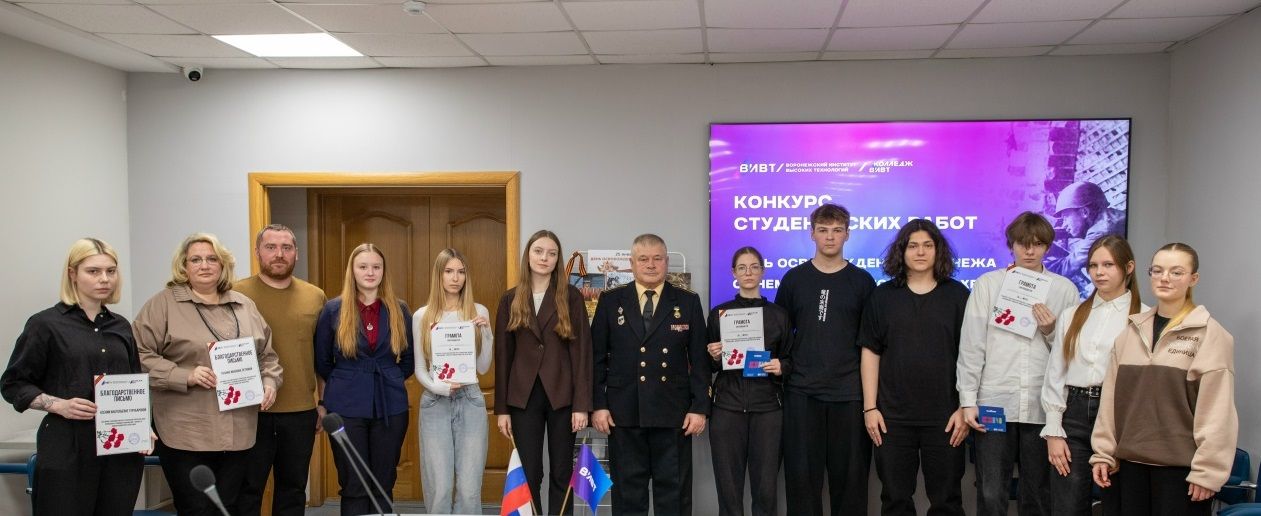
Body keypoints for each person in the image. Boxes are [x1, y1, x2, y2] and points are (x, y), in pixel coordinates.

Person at [133, 233, 282, 516]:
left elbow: (267, 356)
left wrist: (270, 382)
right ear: (183, 266)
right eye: (196, 260)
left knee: (229, 507)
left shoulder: (244, 305)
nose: (204, 265)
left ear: (223, 265)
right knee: (197, 508)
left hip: (239, 429)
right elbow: (138, 355)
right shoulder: (162, 305)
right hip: (186, 431)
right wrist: (183, 375)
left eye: (212, 259)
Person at [0, 238, 151, 516]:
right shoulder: (45, 324)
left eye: (111, 271)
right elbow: (12, 384)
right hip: (67, 446)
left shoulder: (121, 326)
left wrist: (143, 426)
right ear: (72, 274)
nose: (104, 279)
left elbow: (133, 381)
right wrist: (58, 404)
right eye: (93, 271)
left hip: (120, 449)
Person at [1090, 243, 1237, 516]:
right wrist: (1103, 453)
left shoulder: (1210, 335)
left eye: (1176, 272)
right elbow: (1110, 402)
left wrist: (1208, 472)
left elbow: (1218, 412)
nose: (1164, 278)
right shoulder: (1130, 333)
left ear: (1193, 279)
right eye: (1157, 271)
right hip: (1127, 469)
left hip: (1182, 474)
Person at [955, 212, 1079, 516]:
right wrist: (968, 400)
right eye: (1023, 244)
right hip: (994, 401)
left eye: (1038, 244)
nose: (1030, 251)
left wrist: (1050, 331)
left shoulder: (1064, 289)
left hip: (1041, 405)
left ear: (1048, 246)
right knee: (991, 491)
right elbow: (972, 344)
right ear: (1011, 245)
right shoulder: (988, 284)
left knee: (1037, 494)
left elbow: (1072, 354)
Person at [859, 220, 971, 516]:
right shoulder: (883, 296)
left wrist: (965, 406)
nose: (920, 252)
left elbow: (972, 355)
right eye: (913, 246)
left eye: (927, 245)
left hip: (947, 418)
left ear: (938, 250)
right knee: (895, 500)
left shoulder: (958, 295)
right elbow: (870, 352)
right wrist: (870, 408)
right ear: (902, 251)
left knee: (947, 502)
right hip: (892, 418)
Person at [592, 233, 708, 516]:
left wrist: (699, 408)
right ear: (632, 263)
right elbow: (595, 359)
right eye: (643, 259)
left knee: (674, 494)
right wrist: (599, 405)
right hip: (624, 413)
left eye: (657, 258)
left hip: (673, 413)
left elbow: (699, 361)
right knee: (628, 495)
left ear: (667, 262)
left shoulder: (687, 301)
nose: (651, 265)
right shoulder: (610, 301)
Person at [774, 203, 875, 516]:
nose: (830, 237)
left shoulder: (863, 282)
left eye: (837, 230)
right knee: (802, 483)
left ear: (847, 234)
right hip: (802, 392)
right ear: (812, 234)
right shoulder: (794, 279)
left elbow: (872, 344)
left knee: (852, 483)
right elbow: (777, 335)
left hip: (850, 394)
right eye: (823, 230)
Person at [1040, 235, 1145, 516]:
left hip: (1120, 417)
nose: (1099, 272)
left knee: (1117, 506)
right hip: (1073, 414)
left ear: (1129, 267)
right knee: (1067, 507)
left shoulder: (1144, 317)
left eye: (1108, 265)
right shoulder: (1072, 314)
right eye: (1093, 265)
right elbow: (1056, 373)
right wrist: (1054, 431)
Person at [494, 230, 592, 515]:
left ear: (558, 259)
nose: (544, 258)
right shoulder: (510, 299)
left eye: (551, 253)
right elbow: (503, 357)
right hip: (523, 397)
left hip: (562, 396)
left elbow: (582, 354)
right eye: (538, 251)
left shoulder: (571, 297)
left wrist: (581, 405)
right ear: (528, 255)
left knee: (562, 472)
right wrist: (502, 410)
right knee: (530, 473)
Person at [314, 243, 415, 516]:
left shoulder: (399, 309)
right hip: (345, 407)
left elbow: (408, 361)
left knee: (383, 482)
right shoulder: (333, 310)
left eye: (376, 267)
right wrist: (348, 381)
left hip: (390, 405)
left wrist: (390, 376)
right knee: (354, 483)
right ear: (353, 271)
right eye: (363, 267)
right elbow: (322, 361)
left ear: (383, 271)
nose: (370, 272)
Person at [234, 224, 328, 516]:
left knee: (293, 490)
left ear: (296, 253)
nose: (279, 254)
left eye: (286, 248)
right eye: (271, 247)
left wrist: (323, 403)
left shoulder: (315, 296)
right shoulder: (236, 294)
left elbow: (322, 357)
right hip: (250, 411)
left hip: (300, 412)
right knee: (247, 490)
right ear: (257, 252)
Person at [704, 246, 791, 516]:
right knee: (728, 490)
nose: (748, 272)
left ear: (762, 271)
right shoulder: (720, 314)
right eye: (742, 268)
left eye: (754, 267)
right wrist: (713, 355)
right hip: (727, 407)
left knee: (766, 490)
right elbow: (708, 365)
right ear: (734, 273)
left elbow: (792, 358)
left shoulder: (779, 315)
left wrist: (782, 366)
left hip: (768, 409)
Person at [414, 248, 493, 515]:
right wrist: (439, 387)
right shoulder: (422, 316)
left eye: (461, 272)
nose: (455, 278)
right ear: (438, 275)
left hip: (471, 399)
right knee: (440, 488)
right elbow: (420, 369)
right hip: (435, 401)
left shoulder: (478, 311)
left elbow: (483, 367)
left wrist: (487, 334)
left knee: (470, 490)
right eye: (449, 271)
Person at [1049, 181, 1127, 293]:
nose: (1064, 224)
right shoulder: (1107, 219)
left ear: (1084, 212)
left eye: (1066, 217)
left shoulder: (1101, 232)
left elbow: (1066, 266)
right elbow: (1075, 231)